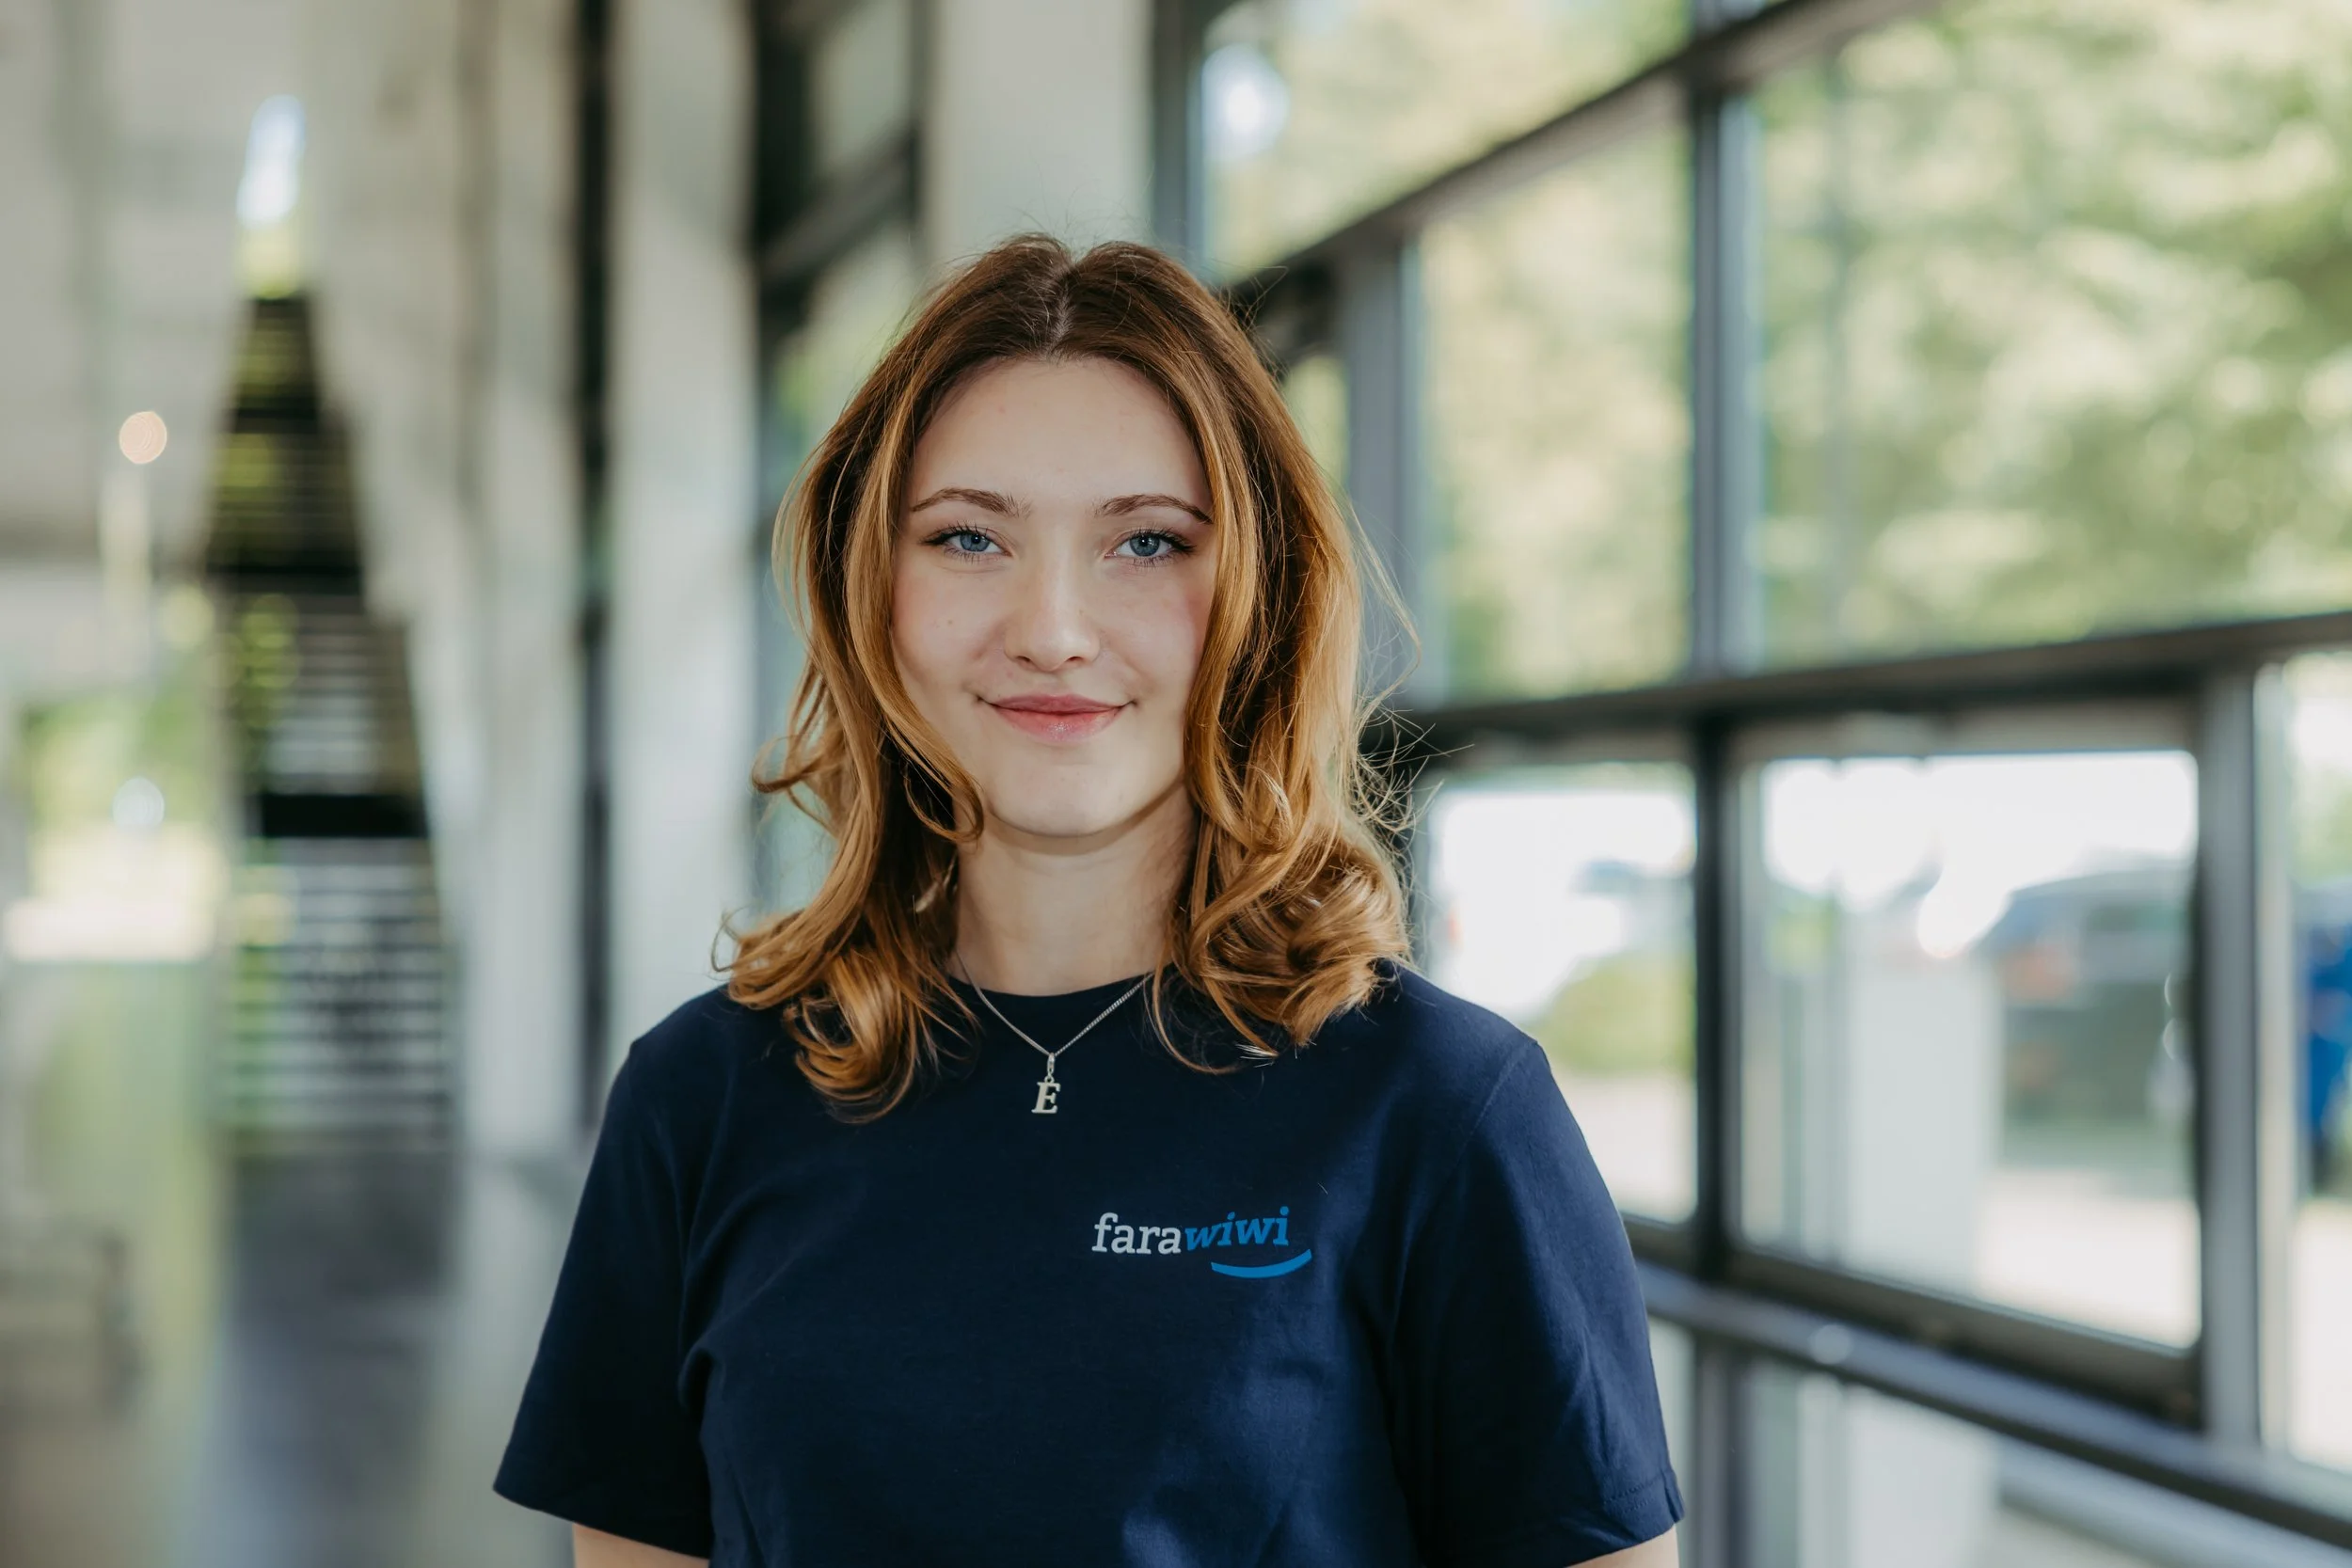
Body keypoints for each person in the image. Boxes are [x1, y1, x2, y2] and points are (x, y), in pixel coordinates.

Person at [492, 235, 1683, 1567]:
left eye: (1146, 542)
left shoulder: (1440, 1111)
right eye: (967, 536)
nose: (1054, 627)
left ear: (1259, 593)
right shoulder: (701, 1100)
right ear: (868, 592)